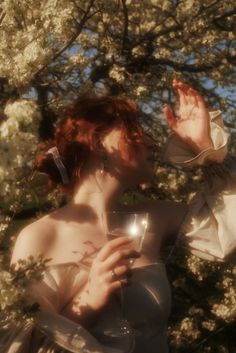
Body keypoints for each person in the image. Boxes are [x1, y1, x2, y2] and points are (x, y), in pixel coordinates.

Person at [1, 80, 236, 353]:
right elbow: (23, 346)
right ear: (99, 142)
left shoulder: (156, 216)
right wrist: (89, 300)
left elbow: (227, 232)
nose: (152, 141)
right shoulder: (41, 236)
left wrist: (206, 149)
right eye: (135, 129)